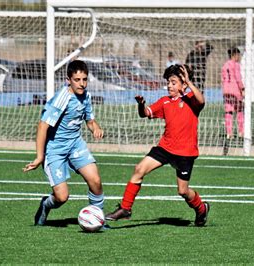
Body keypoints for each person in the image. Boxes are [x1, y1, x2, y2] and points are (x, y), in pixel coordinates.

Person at [105, 64, 210, 226]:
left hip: (185, 153)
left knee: (183, 191)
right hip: (165, 148)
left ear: (183, 85)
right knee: (139, 169)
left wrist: (189, 83)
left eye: (174, 82)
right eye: (168, 82)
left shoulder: (191, 100)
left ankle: (201, 208)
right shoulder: (165, 101)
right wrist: (141, 104)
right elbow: (145, 113)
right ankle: (125, 209)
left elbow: (201, 100)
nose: (169, 85)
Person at [23, 60, 105, 226]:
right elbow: (42, 126)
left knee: (95, 181)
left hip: (75, 145)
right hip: (55, 150)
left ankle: (99, 220)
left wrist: (95, 128)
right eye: (77, 80)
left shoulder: (86, 96)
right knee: (62, 197)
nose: (81, 84)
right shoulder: (62, 99)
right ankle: (45, 204)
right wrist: (39, 157)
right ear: (68, 80)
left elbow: (90, 120)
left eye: (84, 79)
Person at [221, 47, 245, 139]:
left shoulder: (225, 65)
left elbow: (223, 79)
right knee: (239, 111)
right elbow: (238, 78)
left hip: (226, 91)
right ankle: (241, 131)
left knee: (228, 111)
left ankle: (229, 133)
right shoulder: (236, 65)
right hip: (235, 90)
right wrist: (242, 88)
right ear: (235, 55)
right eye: (238, 55)